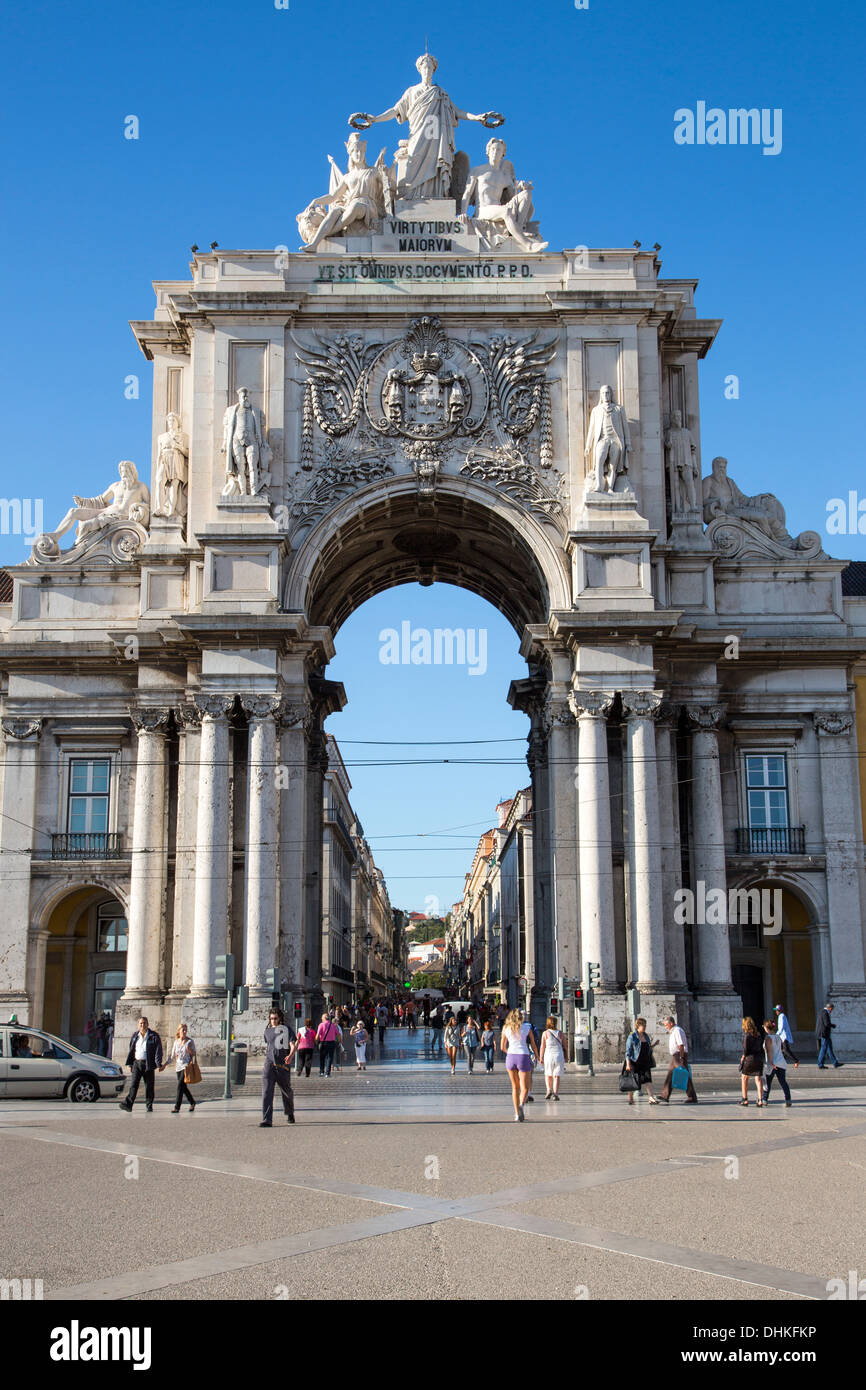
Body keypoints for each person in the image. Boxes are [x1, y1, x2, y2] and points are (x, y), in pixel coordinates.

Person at [119, 1016, 164, 1113]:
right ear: (138, 1025)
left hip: (148, 1063)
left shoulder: (153, 1036)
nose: (143, 1025)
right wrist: (130, 1064)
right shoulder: (135, 1036)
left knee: (149, 1086)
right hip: (137, 1063)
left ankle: (149, 1105)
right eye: (141, 1023)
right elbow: (131, 1049)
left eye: (144, 1023)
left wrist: (158, 1063)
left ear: (148, 1024)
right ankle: (128, 1104)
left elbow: (158, 1050)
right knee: (133, 1084)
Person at [500, 1008, 539, 1121]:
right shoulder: (527, 1027)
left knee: (515, 1087)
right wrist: (537, 1056)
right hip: (523, 1056)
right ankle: (521, 1105)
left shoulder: (506, 1028)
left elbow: (502, 1047)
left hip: (511, 1057)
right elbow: (533, 1044)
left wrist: (510, 1053)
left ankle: (517, 1114)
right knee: (525, 1087)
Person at [261, 1007, 297, 1127]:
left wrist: (291, 1055)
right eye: (271, 1019)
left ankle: (290, 1113)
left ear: (280, 1018)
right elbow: (269, 1046)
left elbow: (292, 1045)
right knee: (266, 1092)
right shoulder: (267, 1031)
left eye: (275, 1018)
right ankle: (267, 1119)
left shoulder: (287, 1030)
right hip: (269, 1064)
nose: (273, 1021)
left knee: (286, 1091)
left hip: (283, 1065)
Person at [657, 1016, 698, 1104]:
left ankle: (692, 1096)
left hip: (679, 1055)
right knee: (670, 1075)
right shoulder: (673, 1031)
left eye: (666, 1025)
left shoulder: (677, 1031)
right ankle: (665, 1095)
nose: (666, 1027)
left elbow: (681, 1045)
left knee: (684, 1075)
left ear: (671, 1023)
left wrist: (682, 1058)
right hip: (675, 1056)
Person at [169, 1023, 197, 1113]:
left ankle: (177, 1107)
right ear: (179, 1031)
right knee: (183, 1087)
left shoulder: (190, 1041)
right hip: (178, 1067)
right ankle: (192, 1102)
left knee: (179, 1086)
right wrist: (164, 1065)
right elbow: (172, 1056)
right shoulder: (176, 1042)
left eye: (185, 1030)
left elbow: (194, 1053)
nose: (185, 1032)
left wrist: (189, 1050)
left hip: (186, 1066)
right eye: (183, 1030)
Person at [763, 1019, 792, 1106]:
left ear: (766, 1027)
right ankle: (788, 1099)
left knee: (767, 1082)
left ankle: (764, 1099)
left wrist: (771, 1062)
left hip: (773, 1063)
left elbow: (769, 1051)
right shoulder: (778, 1037)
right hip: (781, 1061)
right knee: (783, 1082)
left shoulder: (768, 1038)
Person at [738, 1017, 765, 1106]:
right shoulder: (758, 1034)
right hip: (759, 1058)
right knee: (758, 1079)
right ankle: (760, 1099)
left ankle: (745, 1099)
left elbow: (746, 1049)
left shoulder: (747, 1035)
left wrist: (743, 1057)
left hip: (750, 1059)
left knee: (744, 1078)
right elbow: (761, 1047)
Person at [541, 1016, 568, 1101]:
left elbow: (542, 1046)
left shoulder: (545, 1033)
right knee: (556, 1075)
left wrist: (540, 1057)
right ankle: (555, 1094)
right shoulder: (560, 1033)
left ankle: (549, 1090)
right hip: (558, 1056)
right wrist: (566, 1056)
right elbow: (565, 1046)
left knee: (548, 1074)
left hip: (548, 1056)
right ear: (556, 1023)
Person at [816, 1002, 843, 1069]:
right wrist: (833, 1025)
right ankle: (820, 1064)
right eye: (832, 1009)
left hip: (824, 1034)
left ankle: (835, 1063)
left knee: (829, 1049)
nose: (831, 1011)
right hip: (824, 1034)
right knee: (823, 1049)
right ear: (830, 1008)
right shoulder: (825, 1013)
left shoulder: (821, 1012)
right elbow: (826, 1024)